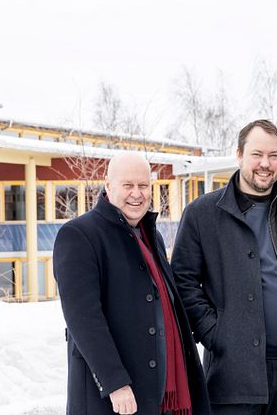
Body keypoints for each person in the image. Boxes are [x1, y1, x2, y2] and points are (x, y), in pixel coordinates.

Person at [171, 119, 277, 415]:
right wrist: (215, 333)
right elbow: (182, 282)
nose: (265, 164)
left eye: (274, 155)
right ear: (239, 155)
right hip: (230, 374)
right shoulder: (202, 214)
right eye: (257, 154)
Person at [53, 152, 210, 415]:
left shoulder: (152, 236)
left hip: (158, 395)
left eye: (143, 185)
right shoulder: (79, 235)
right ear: (108, 186)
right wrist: (116, 383)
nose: (136, 194)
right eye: (128, 185)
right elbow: (84, 319)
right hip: (112, 399)